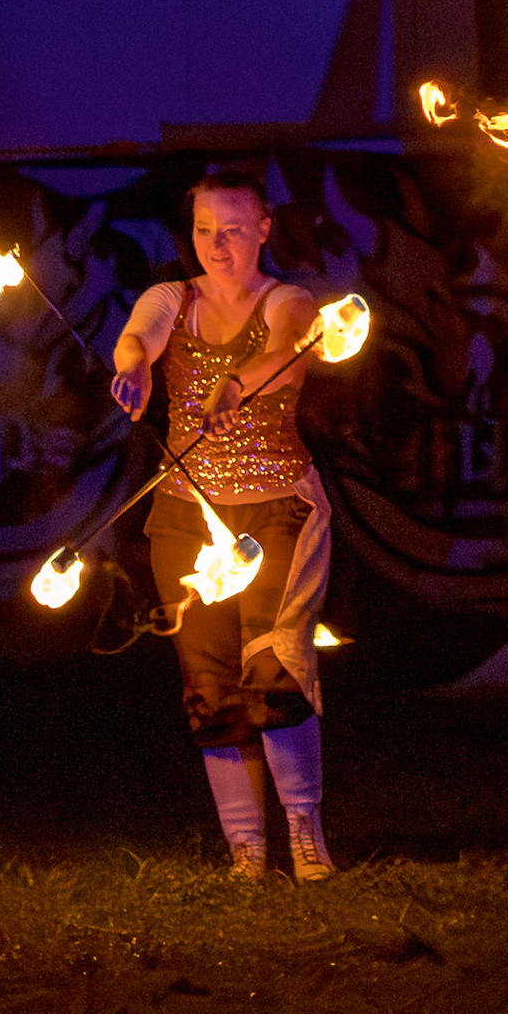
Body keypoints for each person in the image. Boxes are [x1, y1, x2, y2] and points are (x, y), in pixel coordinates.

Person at [110, 166, 336, 881]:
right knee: (208, 687)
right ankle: (247, 854)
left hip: (277, 509)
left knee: (273, 671)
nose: (217, 244)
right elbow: (137, 337)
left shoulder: (289, 300)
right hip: (185, 512)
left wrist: (237, 384)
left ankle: (305, 840)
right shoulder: (171, 298)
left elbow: (290, 357)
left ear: (264, 229)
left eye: (234, 230)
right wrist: (135, 367)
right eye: (206, 229)